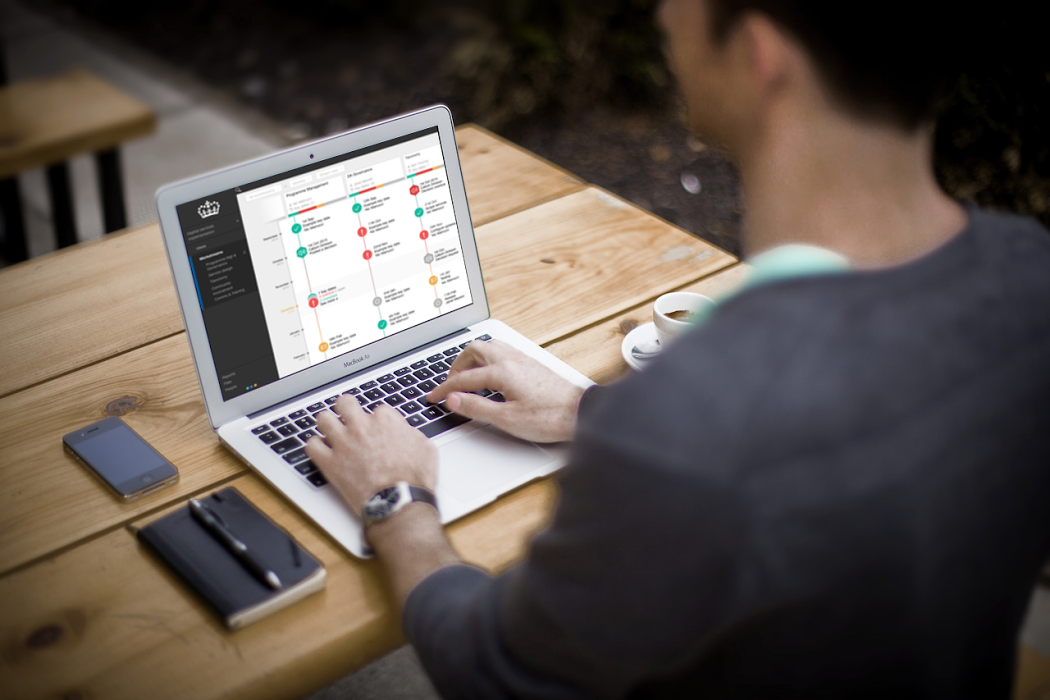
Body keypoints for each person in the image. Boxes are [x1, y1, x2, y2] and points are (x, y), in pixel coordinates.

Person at [305, 0, 1050, 696]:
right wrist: (588, 409)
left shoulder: (694, 424)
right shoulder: (1029, 277)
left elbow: (491, 671)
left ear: (761, 54)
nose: (662, 11)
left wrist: (397, 500)